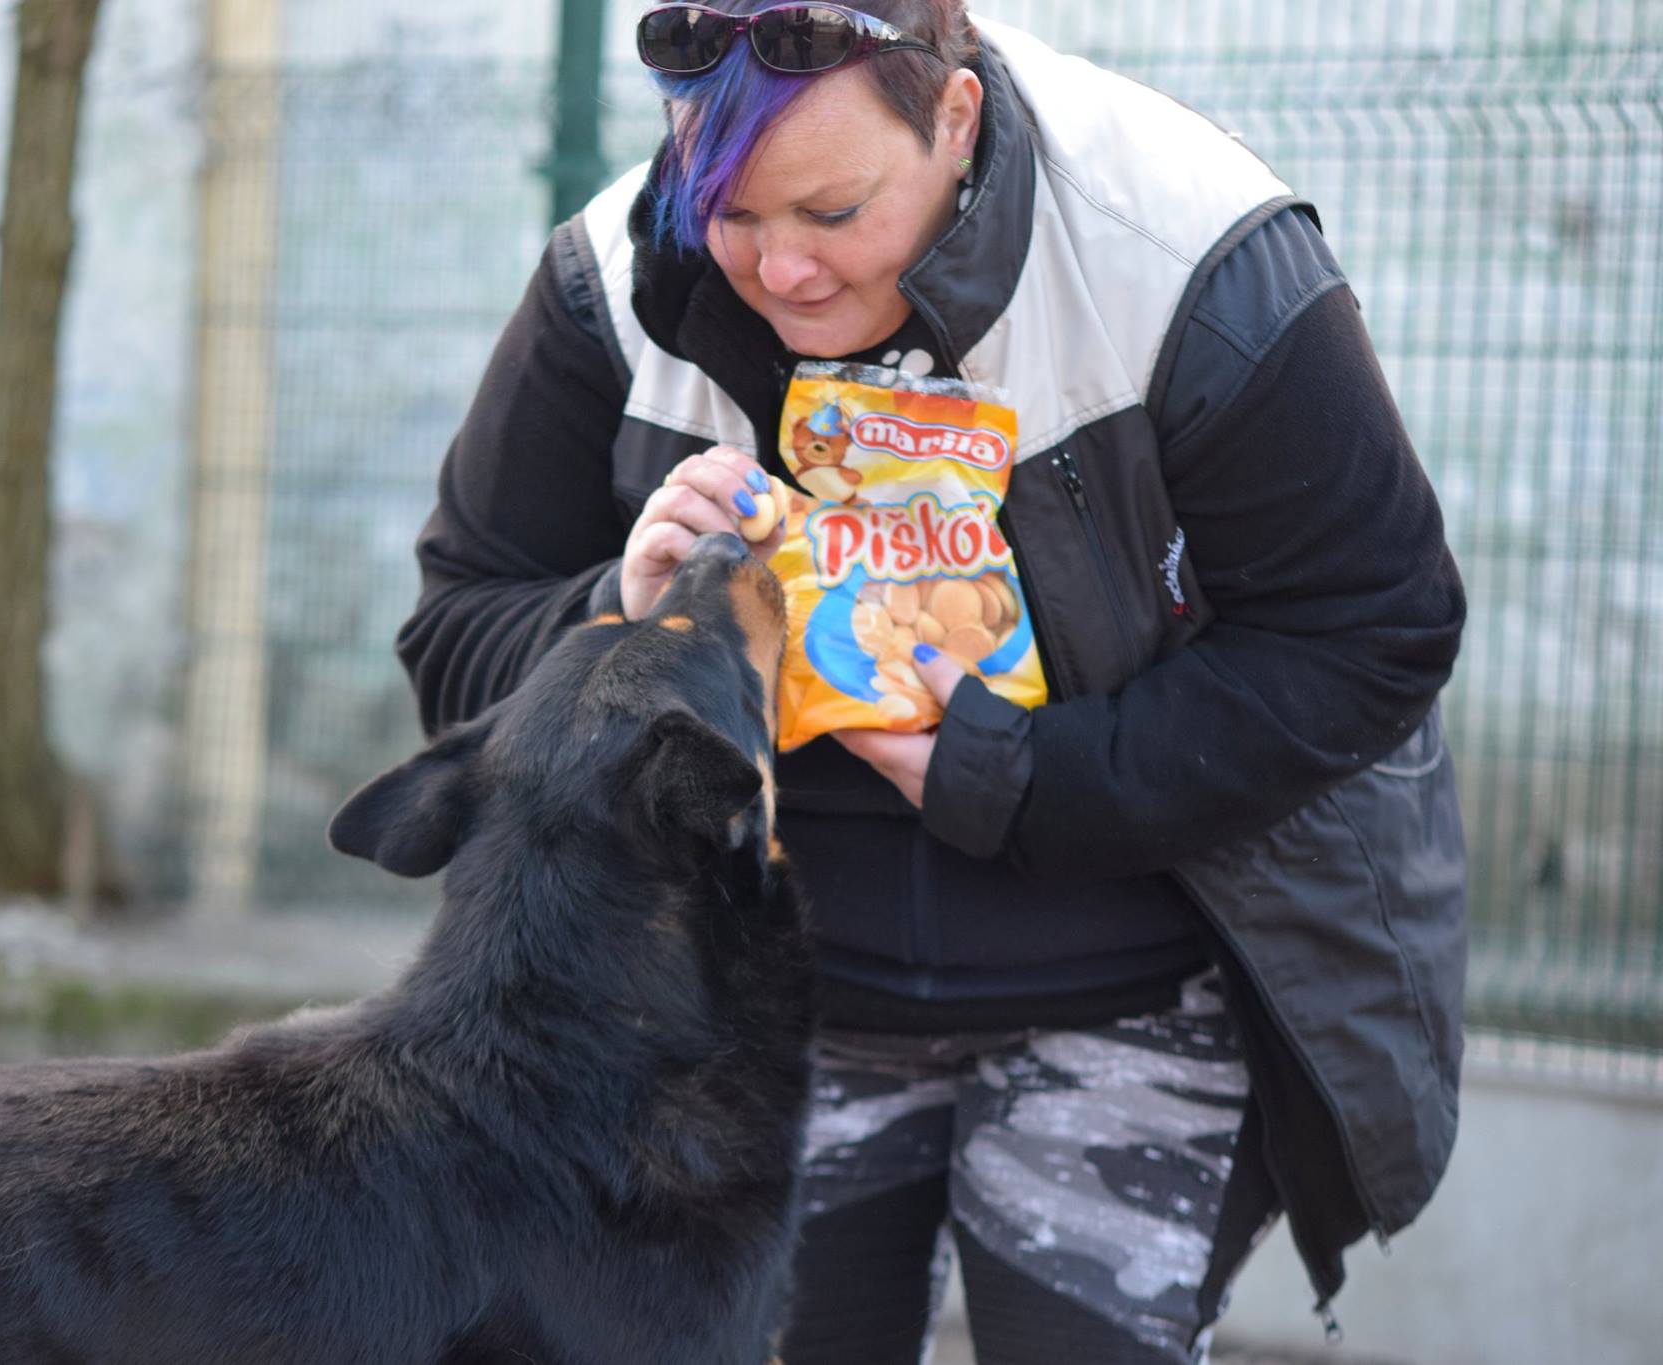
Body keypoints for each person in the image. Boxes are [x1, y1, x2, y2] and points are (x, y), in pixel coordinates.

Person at [395, 2, 1469, 1361]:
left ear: (954, 119)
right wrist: (617, 608)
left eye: (834, 210)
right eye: (728, 212)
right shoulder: (610, 283)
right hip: (762, 1003)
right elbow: (457, 634)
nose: (782, 269)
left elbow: (1373, 627)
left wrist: (1027, 782)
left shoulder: (1180, 250)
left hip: (1134, 986)